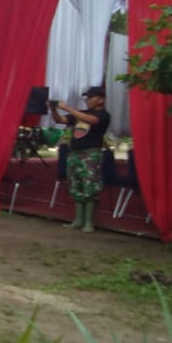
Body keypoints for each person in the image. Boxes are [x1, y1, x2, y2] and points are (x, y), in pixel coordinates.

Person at [50, 85, 111, 234]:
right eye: (87, 97)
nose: (88, 100)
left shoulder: (103, 115)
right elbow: (61, 120)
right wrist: (54, 109)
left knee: (90, 186)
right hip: (75, 153)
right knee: (75, 185)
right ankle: (78, 219)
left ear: (101, 99)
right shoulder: (80, 113)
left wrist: (68, 108)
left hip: (91, 154)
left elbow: (91, 120)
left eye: (91, 97)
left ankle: (89, 222)